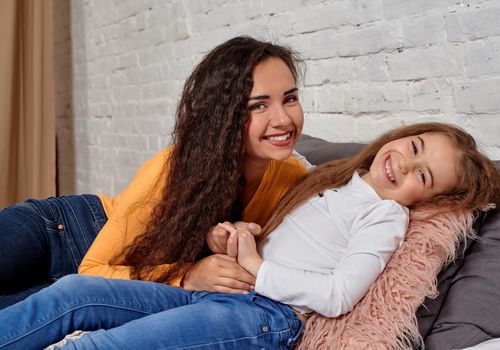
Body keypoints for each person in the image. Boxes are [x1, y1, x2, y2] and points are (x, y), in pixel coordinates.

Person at [0, 122, 500, 350]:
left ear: (428, 202)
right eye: (415, 146)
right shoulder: (332, 180)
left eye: (423, 176)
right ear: (401, 134)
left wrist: (258, 268)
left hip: (266, 319)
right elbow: (291, 249)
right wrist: (237, 242)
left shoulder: (385, 219)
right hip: (229, 292)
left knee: (97, 346)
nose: (406, 163)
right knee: (72, 294)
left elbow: (336, 296)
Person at [0, 36, 308, 309]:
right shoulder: (174, 168)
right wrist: (188, 275)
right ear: (224, 116)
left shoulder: (293, 177)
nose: (283, 119)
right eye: (259, 106)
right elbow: (93, 269)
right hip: (63, 231)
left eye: (290, 99)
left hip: (102, 282)